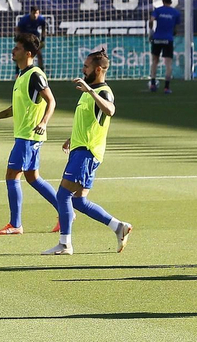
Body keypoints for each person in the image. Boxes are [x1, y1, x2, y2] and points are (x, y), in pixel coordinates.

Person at [42, 49, 133, 256]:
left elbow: (110, 110)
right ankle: (118, 226)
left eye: (86, 67)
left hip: (88, 152)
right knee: (78, 201)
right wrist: (71, 138)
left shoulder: (102, 91)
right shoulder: (89, 92)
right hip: (80, 149)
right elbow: (89, 122)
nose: (83, 70)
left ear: (98, 69)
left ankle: (65, 244)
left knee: (63, 194)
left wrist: (90, 91)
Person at [0, 33, 59, 236]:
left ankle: (16, 224)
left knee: (12, 175)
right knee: (32, 177)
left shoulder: (35, 75)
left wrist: (44, 123)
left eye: (17, 48)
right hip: (25, 135)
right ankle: (66, 212)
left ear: (28, 53)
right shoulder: (22, 75)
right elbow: (16, 107)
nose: (13, 50)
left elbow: (51, 101)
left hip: (29, 135)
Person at [149, 0, 182, 94]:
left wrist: (151, 31)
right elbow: (176, 28)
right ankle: (166, 87)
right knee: (168, 63)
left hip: (157, 38)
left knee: (155, 61)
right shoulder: (175, 13)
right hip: (168, 39)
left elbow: (151, 20)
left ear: (163, 1)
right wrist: (173, 33)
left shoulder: (158, 10)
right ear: (171, 2)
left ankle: (153, 84)